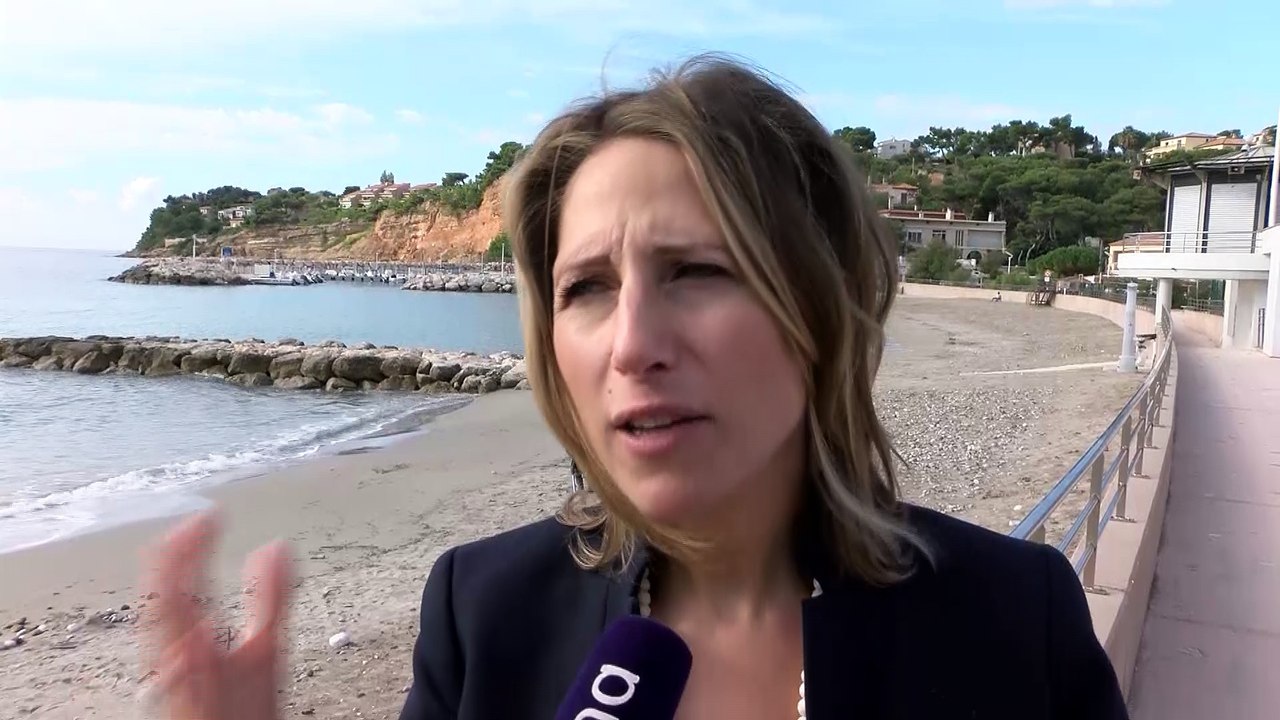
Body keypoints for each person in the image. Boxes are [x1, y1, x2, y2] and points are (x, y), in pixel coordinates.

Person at [144, 55, 1128, 719]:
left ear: (819, 304)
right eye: (585, 288)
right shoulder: (483, 614)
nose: (630, 345)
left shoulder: (1010, 622)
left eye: (694, 271)